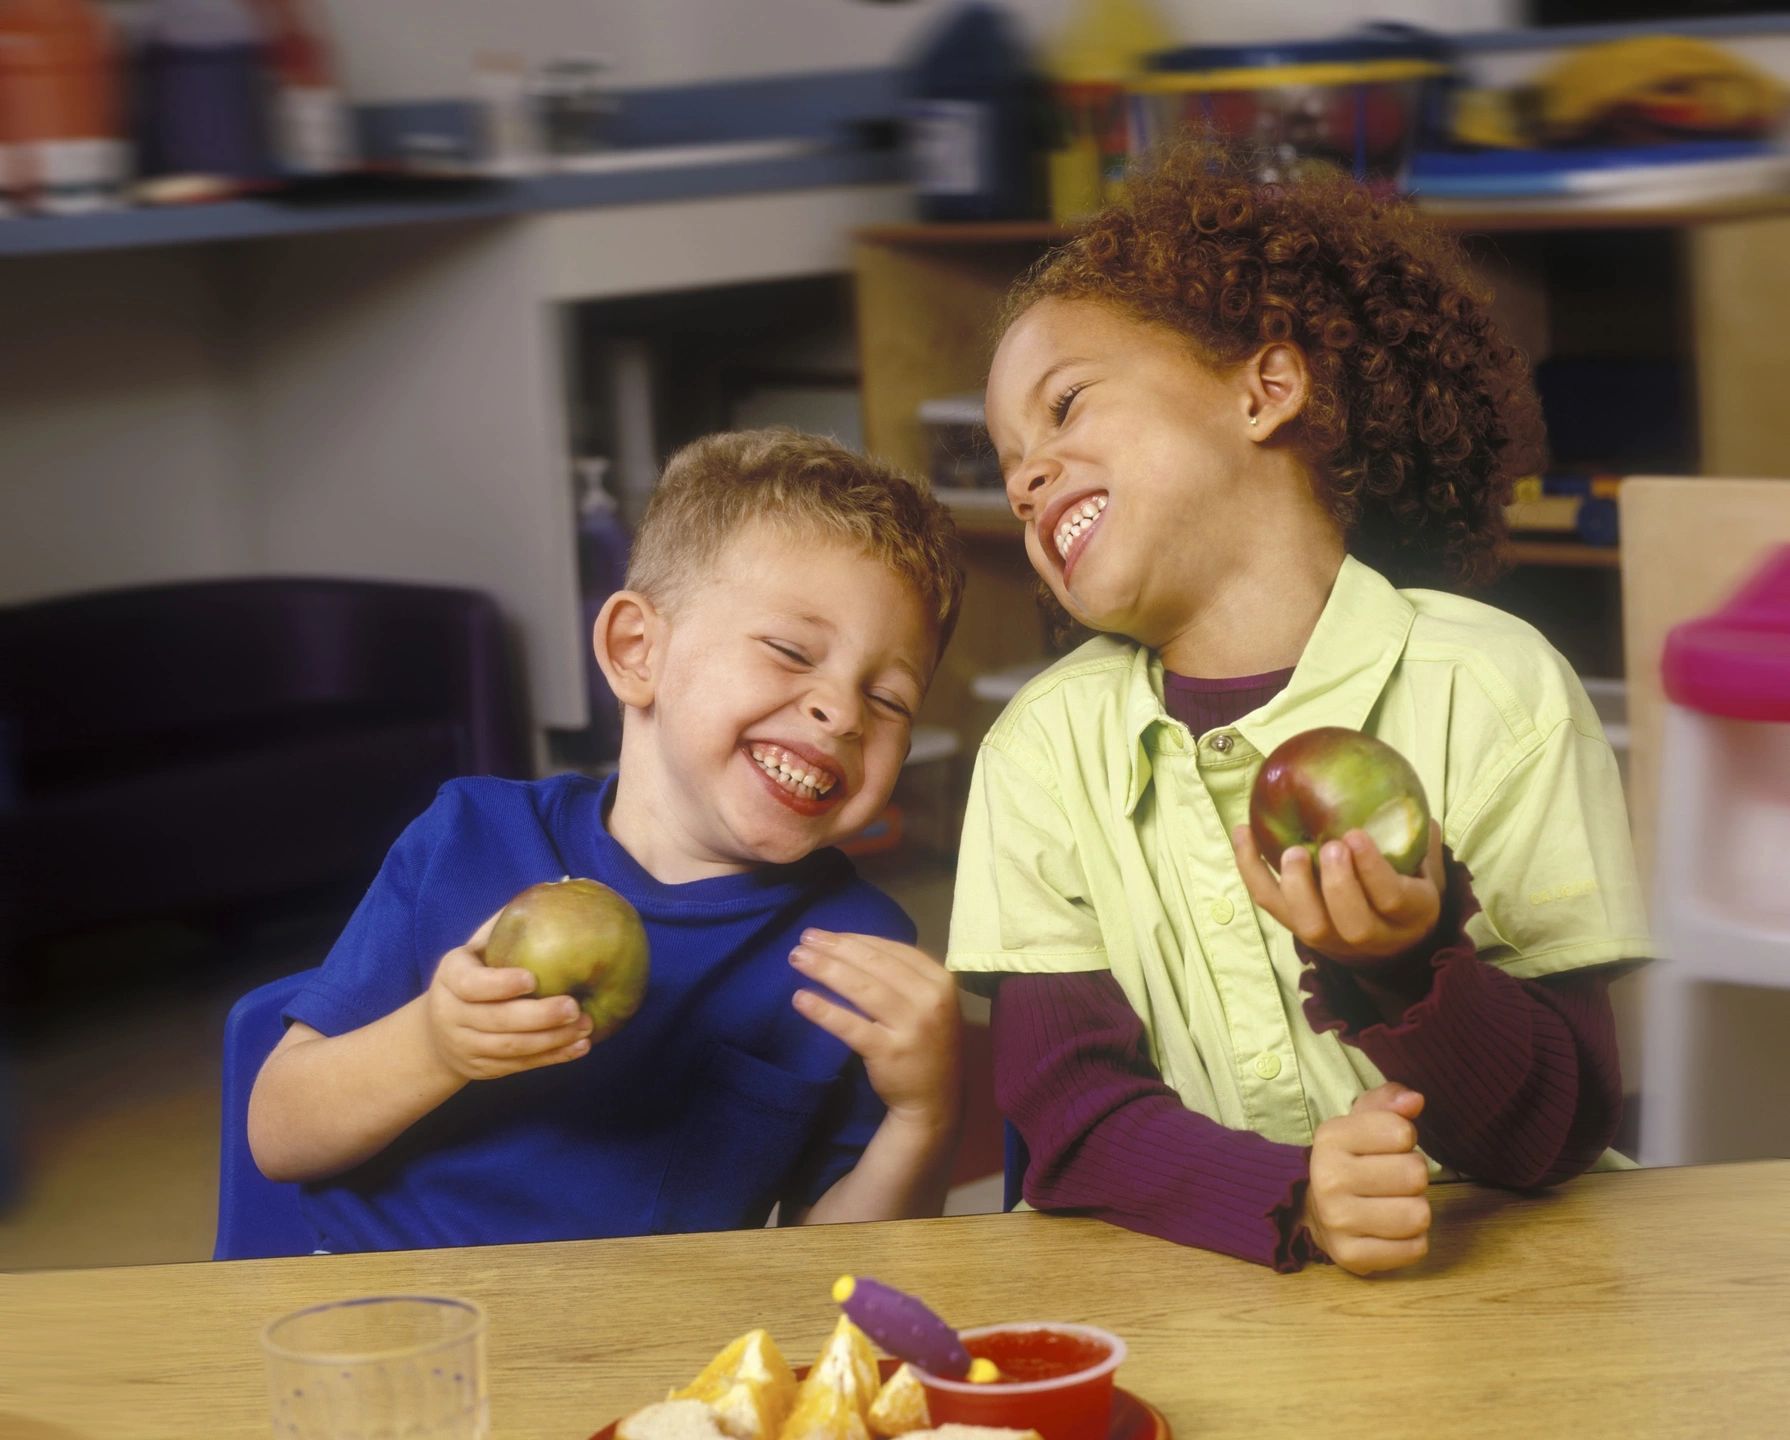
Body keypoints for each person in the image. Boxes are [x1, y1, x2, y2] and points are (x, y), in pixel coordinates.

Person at [949, 144, 1650, 1276]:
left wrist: (1409, 959)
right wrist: (1294, 1201)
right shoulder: (1038, 752)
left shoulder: (1494, 687)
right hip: (1193, 1291)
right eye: (1008, 465)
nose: (1028, 478)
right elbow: (1066, 1122)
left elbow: (1556, 1133)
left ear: (1263, 389)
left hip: (1513, 1288)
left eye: (1065, 404)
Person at [249, 430, 967, 1253]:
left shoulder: (856, 954)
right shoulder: (468, 837)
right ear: (637, 653)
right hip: (389, 1327)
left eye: (889, 699)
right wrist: (436, 1043)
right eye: (790, 651)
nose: (842, 712)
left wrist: (924, 1113)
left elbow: (838, 1272)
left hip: (646, 1358)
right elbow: (279, 1131)